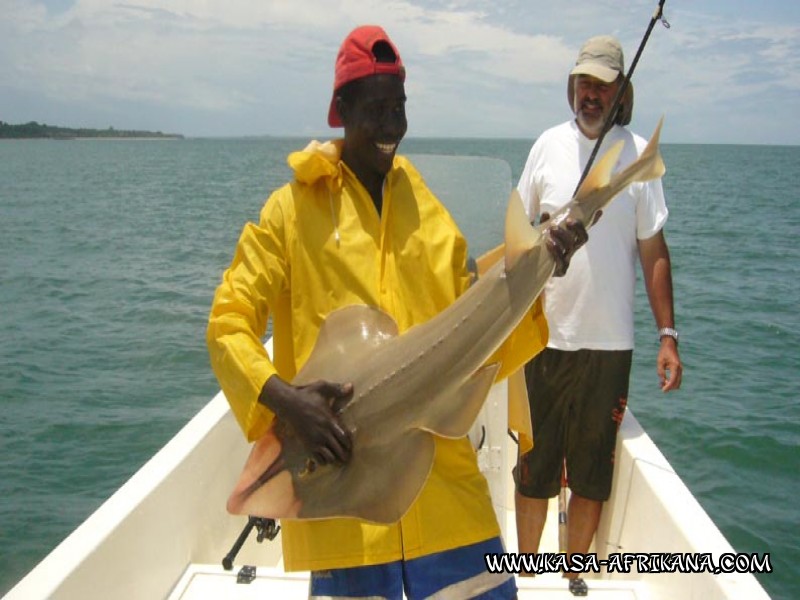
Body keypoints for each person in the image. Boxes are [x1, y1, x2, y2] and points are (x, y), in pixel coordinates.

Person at [207, 24, 589, 600]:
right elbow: (227, 322)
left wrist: (543, 274)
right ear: (340, 109)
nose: (391, 127)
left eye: (400, 108)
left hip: (447, 500)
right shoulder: (290, 213)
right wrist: (287, 399)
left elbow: (474, 348)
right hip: (346, 513)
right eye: (376, 109)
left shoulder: (430, 215)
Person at [513, 35, 683, 596]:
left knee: (591, 473)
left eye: (602, 85)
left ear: (620, 92)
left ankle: (573, 574)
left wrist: (667, 335)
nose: (590, 94)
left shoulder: (638, 157)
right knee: (534, 470)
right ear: (572, 87)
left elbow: (653, 251)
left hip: (610, 344)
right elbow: (516, 239)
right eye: (583, 83)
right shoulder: (546, 147)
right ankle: (527, 573)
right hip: (543, 338)